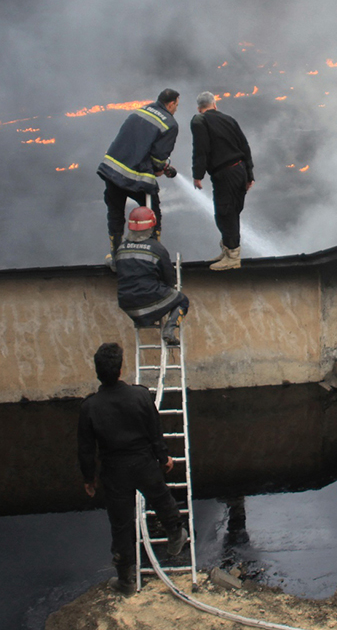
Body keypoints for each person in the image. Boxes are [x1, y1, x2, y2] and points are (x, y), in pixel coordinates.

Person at [77, 342, 188, 596]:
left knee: (121, 525)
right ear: (120, 369)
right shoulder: (140, 395)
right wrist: (163, 458)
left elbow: (85, 449)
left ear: (97, 372)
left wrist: (88, 478)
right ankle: (175, 534)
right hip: (143, 463)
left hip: (114, 472)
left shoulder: (90, 407)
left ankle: (126, 580)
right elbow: (154, 432)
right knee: (161, 498)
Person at [97, 89, 180, 261]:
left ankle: (116, 256)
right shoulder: (170, 123)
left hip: (112, 171)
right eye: (176, 105)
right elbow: (158, 158)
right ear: (171, 103)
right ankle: (153, 254)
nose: (176, 109)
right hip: (136, 175)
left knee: (115, 214)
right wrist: (160, 168)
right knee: (152, 212)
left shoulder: (140, 111)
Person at [191, 91, 254, 271]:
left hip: (226, 173)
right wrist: (250, 175)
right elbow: (245, 146)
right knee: (230, 212)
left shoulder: (199, 121)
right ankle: (228, 250)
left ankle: (233, 257)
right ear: (215, 104)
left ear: (199, 108)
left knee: (225, 214)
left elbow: (201, 149)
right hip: (239, 171)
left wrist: (197, 175)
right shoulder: (229, 119)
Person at [115, 206, 189, 344]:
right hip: (149, 305)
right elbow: (170, 280)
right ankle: (169, 330)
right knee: (182, 300)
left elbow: (115, 266)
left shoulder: (121, 249)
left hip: (128, 307)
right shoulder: (157, 249)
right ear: (151, 226)